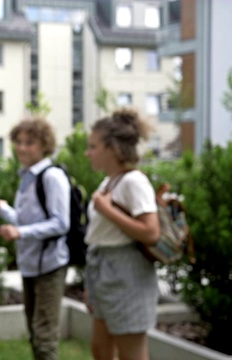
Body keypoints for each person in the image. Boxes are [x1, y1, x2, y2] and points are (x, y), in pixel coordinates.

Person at [83, 108, 160, 360]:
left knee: (131, 353)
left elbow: (151, 232)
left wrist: (106, 210)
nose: (88, 153)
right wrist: (91, 284)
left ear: (113, 149)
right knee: (100, 349)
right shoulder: (110, 182)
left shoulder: (133, 182)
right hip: (104, 269)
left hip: (126, 273)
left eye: (93, 147)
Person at [0, 117, 70, 360]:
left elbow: (61, 223)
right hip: (30, 265)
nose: (22, 147)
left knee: (44, 335)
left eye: (30, 143)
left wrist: (20, 232)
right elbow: (29, 221)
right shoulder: (27, 177)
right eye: (19, 142)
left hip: (49, 265)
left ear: (45, 145)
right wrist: (8, 214)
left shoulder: (52, 176)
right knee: (35, 333)